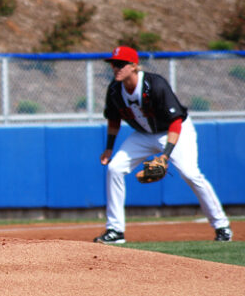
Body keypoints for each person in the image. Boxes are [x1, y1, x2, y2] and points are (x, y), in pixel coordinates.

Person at [94, 46, 233, 244]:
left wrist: (165, 155)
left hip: (175, 131)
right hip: (143, 135)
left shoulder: (154, 84)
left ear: (134, 66)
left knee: (190, 173)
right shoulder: (115, 90)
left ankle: (221, 226)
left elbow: (176, 120)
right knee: (115, 168)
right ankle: (115, 231)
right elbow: (114, 120)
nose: (115, 68)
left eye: (120, 64)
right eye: (113, 64)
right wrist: (109, 148)